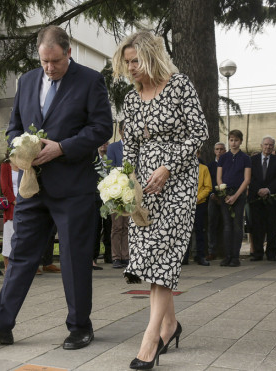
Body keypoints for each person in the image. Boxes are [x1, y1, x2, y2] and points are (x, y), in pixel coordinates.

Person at [0, 25, 112, 349]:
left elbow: (102, 128)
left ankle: (79, 327)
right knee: (20, 255)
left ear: (68, 52)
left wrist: (62, 147)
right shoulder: (28, 80)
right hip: (32, 188)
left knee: (74, 259)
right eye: (44, 61)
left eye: (56, 62)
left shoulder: (90, 80)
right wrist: (17, 147)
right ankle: (1, 325)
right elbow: (14, 125)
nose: (49, 68)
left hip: (74, 188)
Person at [113, 31, 208, 370]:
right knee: (150, 258)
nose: (131, 68)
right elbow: (132, 146)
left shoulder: (180, 86)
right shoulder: (131, 98)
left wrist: (168, 166)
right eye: (127, 63)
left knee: (164, 257)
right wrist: (127, 182)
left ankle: (150, 340)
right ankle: (170, 326)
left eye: (135, 61)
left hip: (178, 182)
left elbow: (199, 133)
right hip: (145, 190)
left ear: (152, 56)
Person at [249, 136, 276, 261]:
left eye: (270, 145)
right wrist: (258, 189)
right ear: (261, 146)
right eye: (266, 144)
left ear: (273, 147)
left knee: (272, 227)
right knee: (257, 227)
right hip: (256, 198)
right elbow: (250, 178)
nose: (268, 147)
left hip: (272, 198)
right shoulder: (252, 160)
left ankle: (271, 253)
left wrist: (268, 190)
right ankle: (257, 253)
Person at [217, 130, 251, 267]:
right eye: (231, 140)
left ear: (241, 141)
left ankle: (235, 257)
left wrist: (236, 196)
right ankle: (227, 256)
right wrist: (225, 194)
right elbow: (219, 178)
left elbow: (247, 179)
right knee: (226, 225)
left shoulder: (245, 158)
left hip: (239, 194)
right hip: (225, 193)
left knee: (237, 225)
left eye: (236, 140)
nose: (233, 143)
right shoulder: (223, 157)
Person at [106, 123, 130, 269]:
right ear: (120, 131)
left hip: (131, 191)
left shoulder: (136, 146)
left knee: (127, 226)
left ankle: (126, 255)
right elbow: (110, 167)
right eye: (126, 129)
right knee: (117, 226)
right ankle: (116, 256)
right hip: (116, 190)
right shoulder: (113, 147)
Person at [191, 151, 212, 266]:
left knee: (200, 230)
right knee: (184, 232)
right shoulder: (183, 168)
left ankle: (201, 256)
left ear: (198, 155)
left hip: (200, 204)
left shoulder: (204, 168)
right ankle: (183, 258)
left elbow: (208, 187)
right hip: (185, 204)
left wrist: (197, 198)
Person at [206, 142, 226, 261]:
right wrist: (212, 194)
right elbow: (208, 181)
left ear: (225, 151)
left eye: (221, 149)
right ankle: (212, 251)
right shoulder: (210, 165)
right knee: (212, 224)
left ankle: (224, 250)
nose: (219, 151)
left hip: (226, 197)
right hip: (213, 197)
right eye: (217, 149)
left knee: (225, 224)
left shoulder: (228, 164)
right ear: (214, 151)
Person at [93, 142, 112, 270]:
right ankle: (93, 258)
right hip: (95, 197)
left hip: (109, 198)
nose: (103, 146)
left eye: (106, 143)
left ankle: (109, 255)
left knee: (109, 226)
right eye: (101, 144)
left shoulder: (110, 159)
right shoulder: (94, 159)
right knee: (95, 228)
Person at [0, 158, 19, 273]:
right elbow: (5, 187)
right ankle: (7, 267)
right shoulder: (5, 165)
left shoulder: (25, 163)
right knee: (9, 235)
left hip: (25, 203)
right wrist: (14, 200)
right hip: (12, 206)